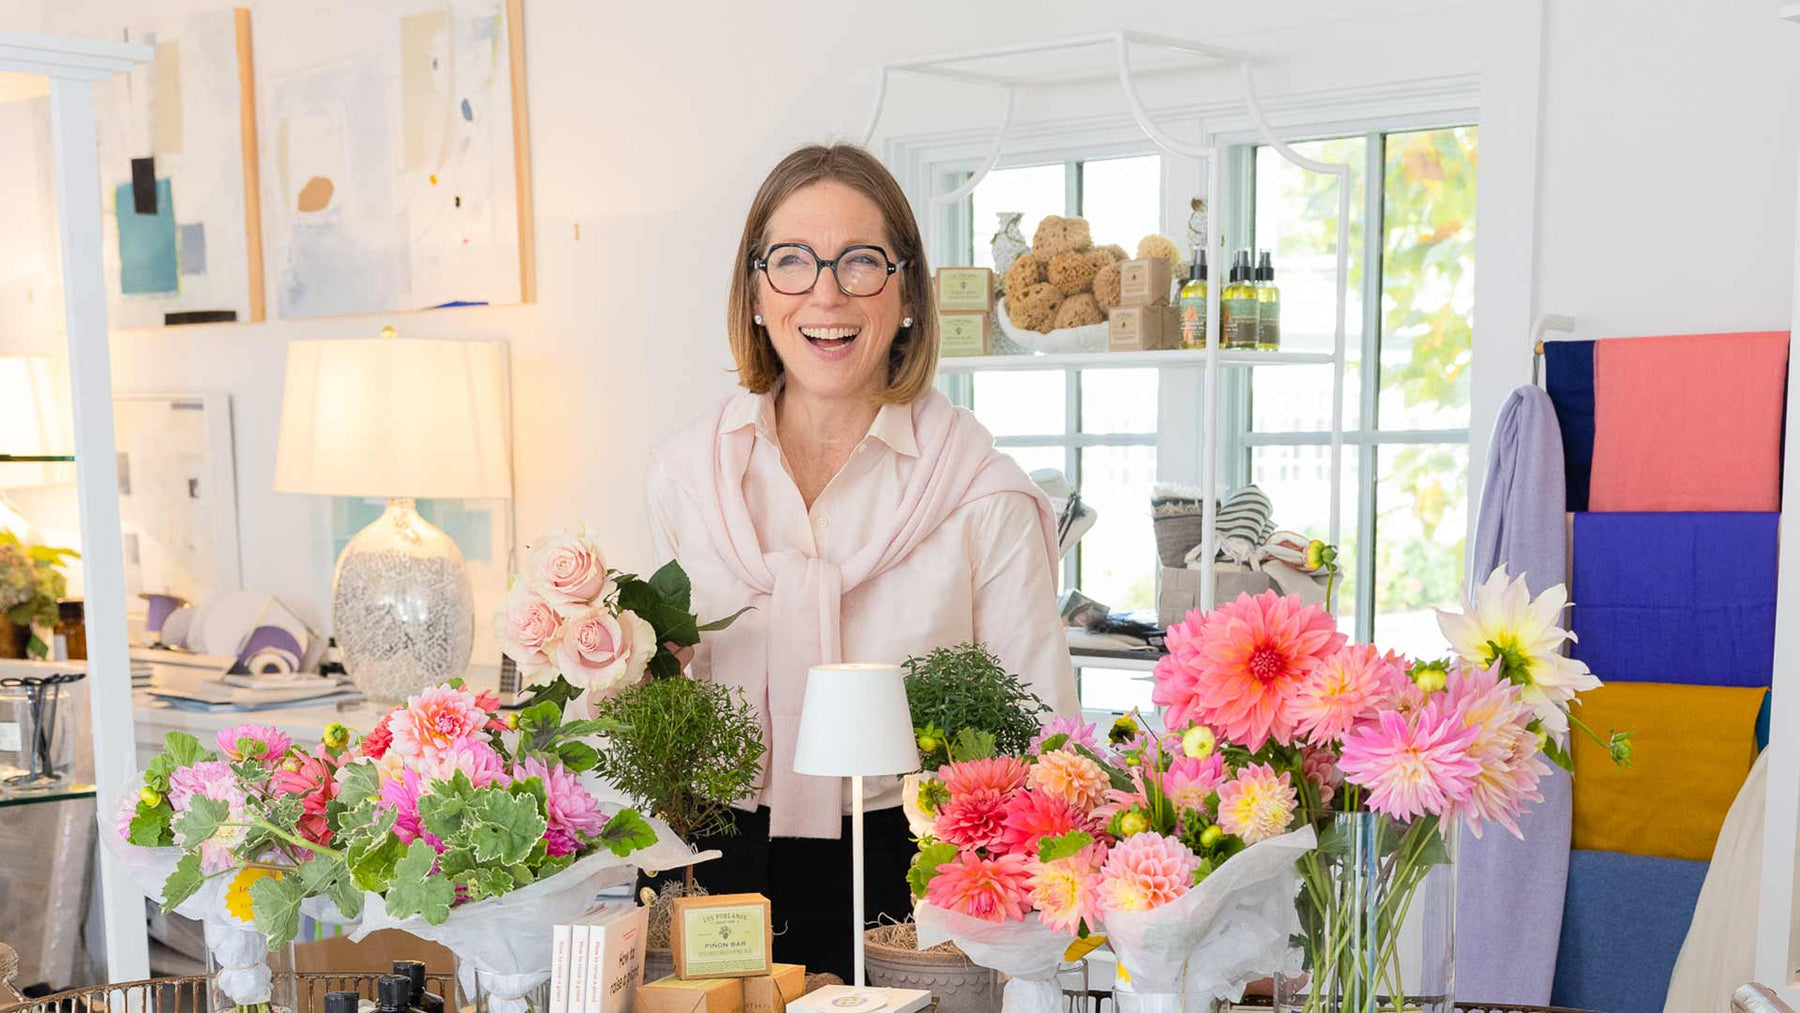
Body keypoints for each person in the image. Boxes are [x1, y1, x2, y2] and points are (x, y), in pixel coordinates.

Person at [645, 143, 1077, 980]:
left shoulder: (983, 497)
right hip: (716, 858)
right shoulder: (686, 475)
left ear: (909, 290)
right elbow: (665, 688)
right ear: (756, 290)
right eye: (794, 262)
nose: (827, 294)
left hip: (913, 870)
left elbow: (1043, 739)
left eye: (862, 263)